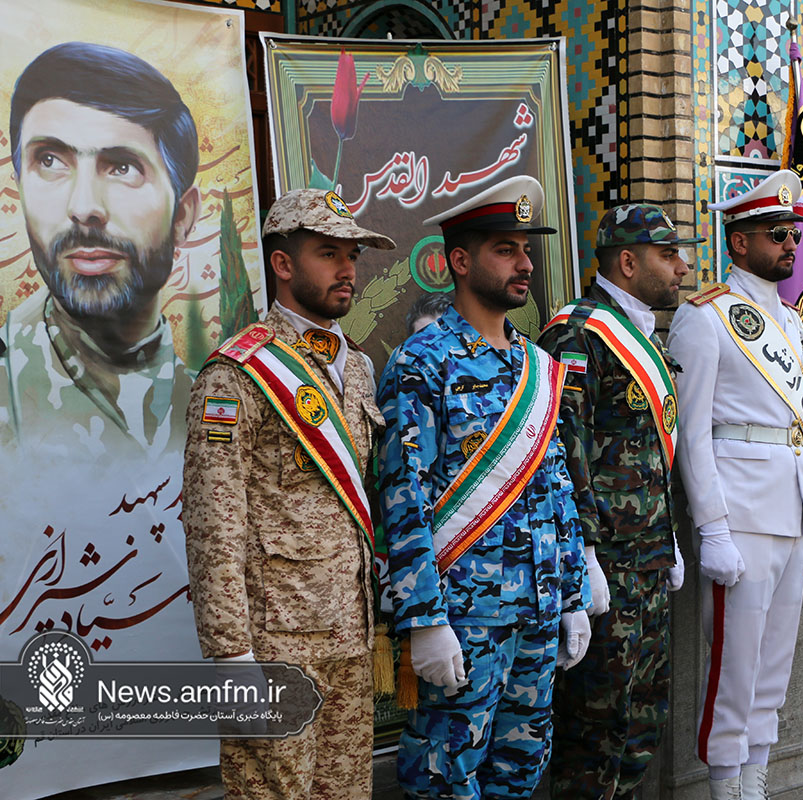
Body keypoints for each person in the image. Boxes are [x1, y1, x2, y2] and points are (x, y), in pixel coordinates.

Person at [376, 175, 590, 799]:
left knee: (519, 775)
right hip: (466, 619)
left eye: (526, 249)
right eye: (505, 249)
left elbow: (556, 488)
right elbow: (404, 500)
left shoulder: (538, 366)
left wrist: (572, 594)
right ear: (460, 262)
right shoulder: (422, 363)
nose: (525, 264)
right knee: (446, 776)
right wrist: (423, 618)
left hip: (539, 611)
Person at [181, 188, 396, 800]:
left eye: (352, 255)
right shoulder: (237, 374)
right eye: (329, 254)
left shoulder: (357, 367)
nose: (347, 270)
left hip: (350, 635)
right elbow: (213, 524)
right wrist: (231, 657)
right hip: (275, 648)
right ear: (282, 264)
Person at [667, 170, 803, 800]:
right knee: (733, 668)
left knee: (774, 668)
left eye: (793, 234)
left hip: (788, 510)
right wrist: (712, 527)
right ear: (739, 242)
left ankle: (755, 778)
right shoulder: (704, 317)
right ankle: (724, 785)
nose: (790, 245)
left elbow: (795, 428)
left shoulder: (790, 319)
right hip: (740, 515)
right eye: (776, 234)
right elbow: (692, 432)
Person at [539, 204, 698, 799]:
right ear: (628, 262)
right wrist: (582, 556)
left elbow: (651, 454)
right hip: (605, 568)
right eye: (668, 254)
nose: (683, 268)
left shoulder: (641, 334)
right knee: (594, 730)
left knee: (642, 722)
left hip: (647, 564)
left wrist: (669, 539)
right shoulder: (577, 334)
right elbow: (564, 452)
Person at [0, 41, 200, 457]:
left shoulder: (216, 399)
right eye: (50, 161)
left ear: (182, 216)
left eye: (122, 167)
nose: (84, 207)